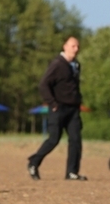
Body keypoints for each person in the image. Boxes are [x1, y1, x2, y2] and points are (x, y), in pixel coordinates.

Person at [27, 36, 87, 180]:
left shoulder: (75, 65)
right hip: (58, 108)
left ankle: (72, 172)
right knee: (54, 139)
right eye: (73, 46)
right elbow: (43, 84)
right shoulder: (57, 64)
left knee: (75, 140)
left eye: (77, 46)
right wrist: (52, 103)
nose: (76, 49)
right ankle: (34, 162)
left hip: (73, 109)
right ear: (65, 46)